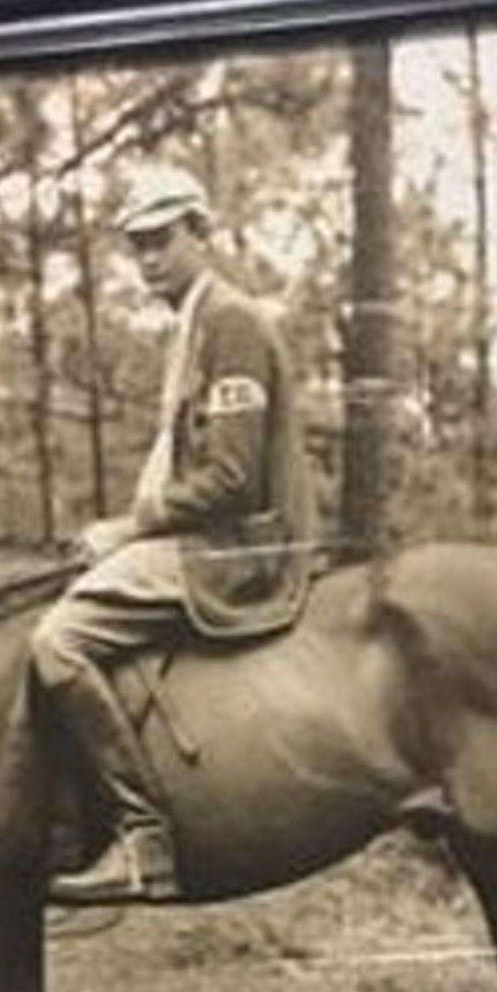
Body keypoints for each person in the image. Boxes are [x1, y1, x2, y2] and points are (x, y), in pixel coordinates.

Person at [29, 160, 316, 905]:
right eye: (137, 245)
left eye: (162, 239)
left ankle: (143, 834)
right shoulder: (194, 324)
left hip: (243, 548)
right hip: (206, 539)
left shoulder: (231, 321)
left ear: (201, 233)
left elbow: (233, 481)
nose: (148, 258)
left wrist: (129, 527)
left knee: (58, 642)